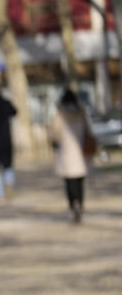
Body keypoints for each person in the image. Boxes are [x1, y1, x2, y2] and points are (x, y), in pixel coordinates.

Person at [49, 88, 94, 223]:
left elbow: (55, 131)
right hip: (80, 150)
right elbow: (89, 129)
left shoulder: (60, 113)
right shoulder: (81, 112)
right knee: (79, 181)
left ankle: (72, 204)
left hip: (66, 151)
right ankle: (80, 203)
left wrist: (54, 142)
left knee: (69, 181)